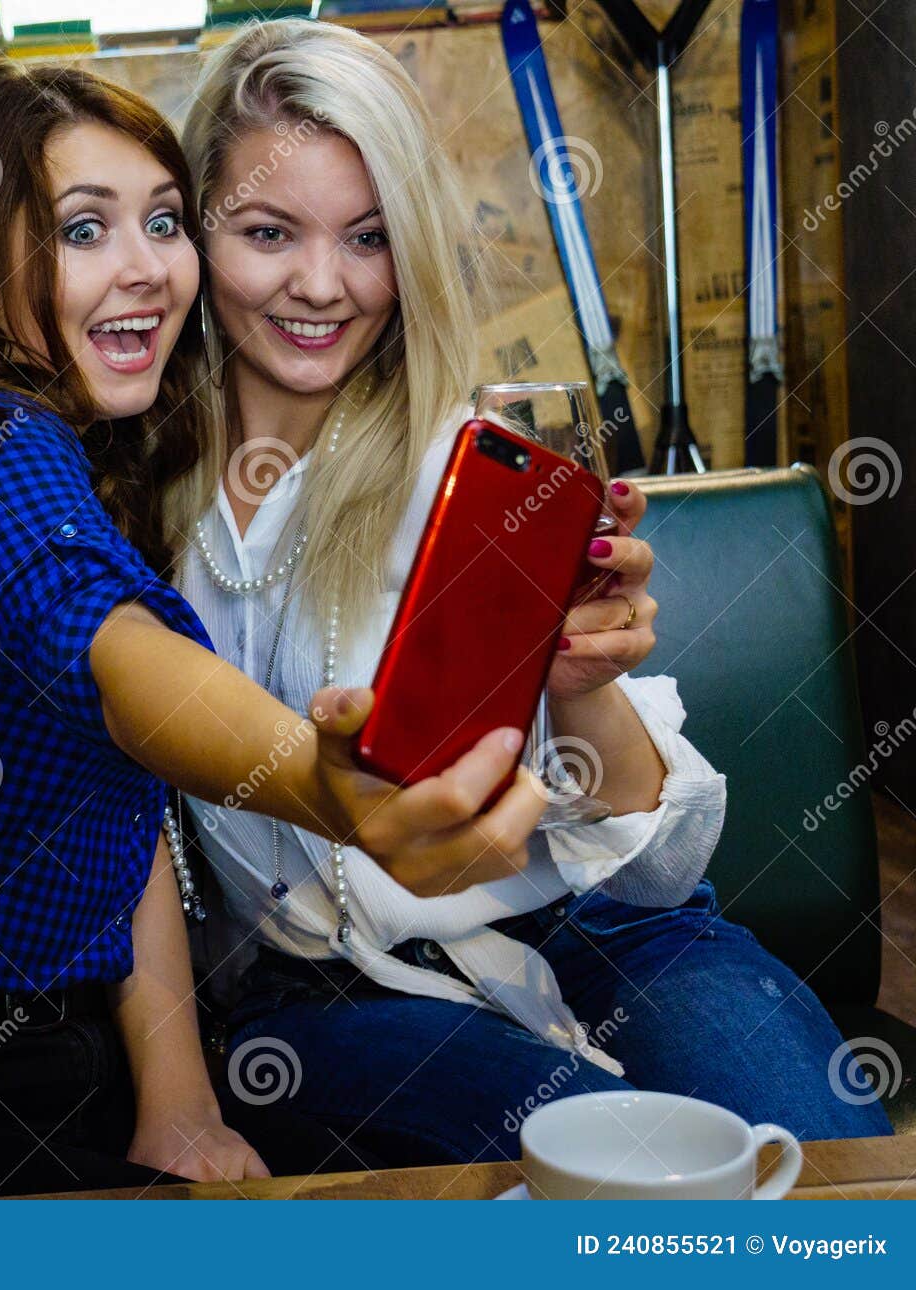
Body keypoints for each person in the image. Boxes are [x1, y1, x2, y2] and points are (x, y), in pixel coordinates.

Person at [0, 58, 552, 1198]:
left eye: (162, 221)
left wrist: (177, 1094)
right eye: (83, 229)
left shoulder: (71, 442)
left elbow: (129, 778)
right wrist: (336, 789)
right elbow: (116, 657)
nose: (148, 268)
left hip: (24, 1059)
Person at [168, 17, 893, 1164]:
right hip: (324, 998)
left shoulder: (477, 472)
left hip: (612, 935)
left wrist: (584, 685)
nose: (321, 284)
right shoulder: (128, 506)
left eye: (369, 237)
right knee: (600, 1178)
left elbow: (661, 869)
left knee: (821, 1190)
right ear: (191, 234)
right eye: (267, 232)